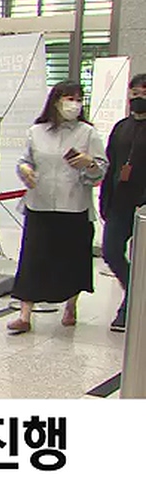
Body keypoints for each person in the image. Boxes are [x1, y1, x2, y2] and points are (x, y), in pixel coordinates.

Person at [8, 82, 106, 334]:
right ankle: (24, 314)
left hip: (73, 205)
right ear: (55, 100)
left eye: (78, 99)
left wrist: (89, 164)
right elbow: (25, 161)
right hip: (39, 204)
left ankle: (70, 306)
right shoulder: (37, 131)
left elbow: (100, 170)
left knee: (72, 259)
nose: (74, 104)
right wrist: (25, 171)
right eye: (69, 98)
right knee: (32, 258)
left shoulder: (88, 133)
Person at [100, 73, 146, 332]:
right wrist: (105, 199)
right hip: (119, 203)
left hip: (144, 206)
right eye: (135, 93)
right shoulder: (121, 127)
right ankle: (135, 293)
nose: (139, 98)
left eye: (144, 93)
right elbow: (110, 165)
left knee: (141, 259)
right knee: (111, 251)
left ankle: (128, 309)